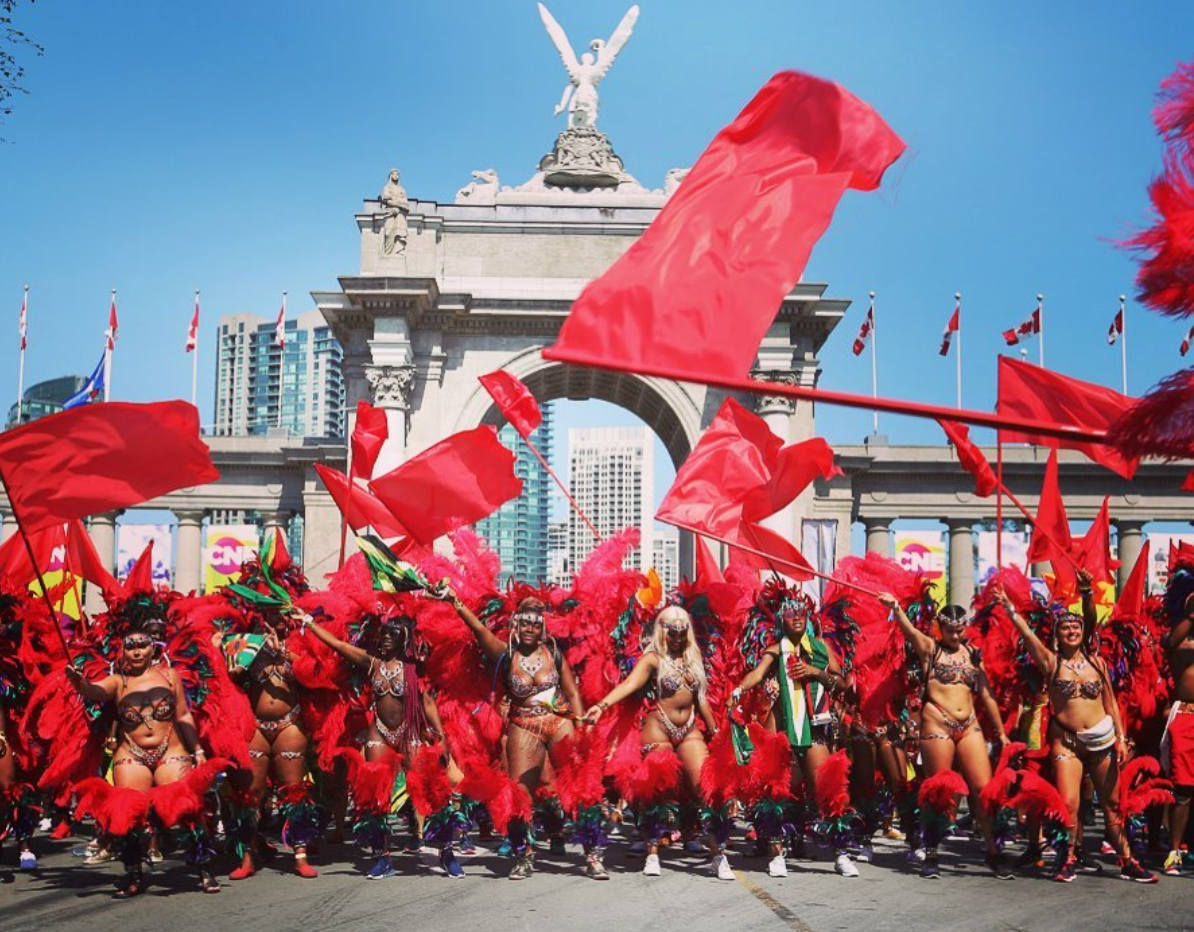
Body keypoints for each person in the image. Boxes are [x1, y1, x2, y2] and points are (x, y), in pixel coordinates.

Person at [999, 586, 1157, 883]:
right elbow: (1028, 637)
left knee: (1112, 805)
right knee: (1069, 804)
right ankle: (1067, 858)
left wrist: (1121, 739)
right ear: (1057, 634)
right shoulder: (1051, 662)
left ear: (1084, 631)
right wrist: (1010, 610)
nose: (1071, 631)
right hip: (1067, 742)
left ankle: (1127, 860)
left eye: (1076, 626)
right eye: (1065, 627)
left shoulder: (1098, 663)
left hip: (1103, 742)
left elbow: (1110, 702)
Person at [299, 607, 464, 879]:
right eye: (384, 634)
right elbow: (339, 645)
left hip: (409, 732)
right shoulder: (373, 663)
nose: (386, 638)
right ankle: (382, 857)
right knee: (375, 796)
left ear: (405, 639)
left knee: (430, 791)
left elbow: (428, 703)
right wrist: (307, 621)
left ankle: (446, 853)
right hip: (379, 734)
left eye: (393, 634)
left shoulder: (414, 669)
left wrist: (441, 738)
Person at [446, 592, 591, 879]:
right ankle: (524, 855)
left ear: (542, 628)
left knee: (578, 786)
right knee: (519, 794)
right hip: (522, 725)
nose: (530, 629)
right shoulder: (506, 654)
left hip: (557, 721)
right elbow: (478, 630)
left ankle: (593, 854)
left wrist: (581, 727)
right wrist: (455, 602)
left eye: (535, 625)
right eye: (524, 623)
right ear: (515, 626)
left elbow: (572, 692)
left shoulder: (554, 655)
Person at [65, 623, 217, 896]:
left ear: (153, 649)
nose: (136, 652)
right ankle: (134, 874)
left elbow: (183, 715)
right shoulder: (118, 682)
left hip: (171, 751)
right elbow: (95, 692)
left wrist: (197, 750)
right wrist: (81, 684)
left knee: (187, 809)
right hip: (131, 754)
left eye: (142, 646)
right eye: (130, 647)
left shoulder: (170, 676)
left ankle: (203, 869)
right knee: (129, 815)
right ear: (122, 652)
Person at [585, 605, 733, 881]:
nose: (676, 636)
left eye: (681, 629)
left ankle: (718, 856)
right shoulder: (652, 659)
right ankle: (652, 852)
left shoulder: (694, 657)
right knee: (656, 792)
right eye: (670, 629)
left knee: (706, 787)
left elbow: (700, 697)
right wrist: (601, 705)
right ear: (661, 631)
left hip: (689, 730)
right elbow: (630, 684)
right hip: (658, 729)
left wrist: (713, 727)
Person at [880, 594, 1014, 880]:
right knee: (939, 791)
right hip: (937, 724)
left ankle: (994, 851)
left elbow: (986, 694)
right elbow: (910, 631)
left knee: (985, 788)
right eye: (950, 630)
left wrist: (1001, 732)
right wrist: (896, 609)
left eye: (959, 629)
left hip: (969, 725)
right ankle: (931, 853)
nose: (955, 635)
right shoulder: (930, 649)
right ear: (940, 627)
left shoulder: (972, 653)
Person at [731, 590, 856, 878]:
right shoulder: (776, 649)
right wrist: (739, 690)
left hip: (813, 727)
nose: (796, 617)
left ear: (808, 619)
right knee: (775, 790)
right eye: (789, 614)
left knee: (828, 788)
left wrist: (814, 672)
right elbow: (758, 674)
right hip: (782, 728)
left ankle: (841, 853)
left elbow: (839, 684)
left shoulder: (821, 648)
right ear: (782, 621)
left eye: (801, 613)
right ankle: (776, 855)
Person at [1163, 551, 1194, 875]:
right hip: (1187, 717)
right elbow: (1172, 642)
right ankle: (1174, 850)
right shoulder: (1179, 639)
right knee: (1184, 789)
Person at [380, 169, 410, 256]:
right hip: (389, 213)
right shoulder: (386, 188)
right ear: (390, 175)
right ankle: (387, 253)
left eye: (397, 174)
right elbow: (385, 200)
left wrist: (398, 207)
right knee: (388, 232)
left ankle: (399, 251)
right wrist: (398, 204)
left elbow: (406, 204)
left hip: (400, 214)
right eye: (394, 174)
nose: (396, 176)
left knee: (400, 232)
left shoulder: (402, 190)